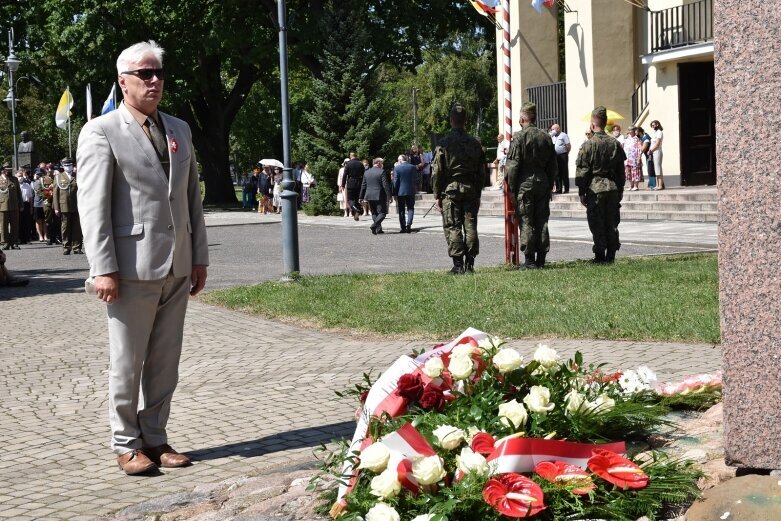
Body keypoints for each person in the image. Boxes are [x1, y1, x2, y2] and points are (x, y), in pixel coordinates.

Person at [77, 40, 209, 476]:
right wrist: (102, 269)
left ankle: (155, 437)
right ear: (123, 81)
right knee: (128, 361)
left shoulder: (179, 129)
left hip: (177, 263)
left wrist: (199, 256)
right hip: (129, 269)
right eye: (144, 74)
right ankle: (125, 442)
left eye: (158, 73)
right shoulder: (101, 131)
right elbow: (91, 205)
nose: (154, 81)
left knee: (166, 359)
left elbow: (191, 199)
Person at [432, 103, 488, 274]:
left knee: (453, 225)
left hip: (451, 190)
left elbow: (437, 171)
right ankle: (470, 264)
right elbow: (481, 171)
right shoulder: (474, 143)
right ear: (466, 121)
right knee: (470, 224)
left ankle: (458, 265)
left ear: (451, 120)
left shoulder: (444, 143)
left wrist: (437, 194)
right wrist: (478, 192)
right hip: (470, 188)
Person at [505, 102, 558, 269]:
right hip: (542, 182)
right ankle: (541, 258)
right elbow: (553, 165)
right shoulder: (545, 136)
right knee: (542, 220)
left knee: (526, 220)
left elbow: (513, 166)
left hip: (525, 184)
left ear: (522, 118)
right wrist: (549, 184)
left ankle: (529, 260)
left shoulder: (520, 137)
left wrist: (511, 188)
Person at [576, 106, 626, 263]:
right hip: (612, 187)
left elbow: (582, 172)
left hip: (595, 188)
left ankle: (599, 256)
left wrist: (581, 192)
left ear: (592, 124)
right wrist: (621, 188)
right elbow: (620, 170)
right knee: (612, 222)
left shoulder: (588, 145)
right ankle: (611, 255)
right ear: (605, 123)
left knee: (597, 223)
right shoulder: (615, 143)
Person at [53, 158, 84, 255]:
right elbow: (55, 193)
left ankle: (77, 247)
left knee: (77, 227)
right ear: (63, 166)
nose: (68, 167)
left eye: (70, 165)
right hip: (64, 205)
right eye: (66, 165)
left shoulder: (78, 176)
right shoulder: (58, 177)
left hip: (77, 205)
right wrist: (56, 208)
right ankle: (66, 247)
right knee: (65, 227)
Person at [359, 158, 392, 235]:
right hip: (379, 195)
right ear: (378, 163)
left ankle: (378, 229)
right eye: (382, 163)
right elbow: (385, 185)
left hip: (369, 195)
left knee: (374, 212)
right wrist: (389, 196)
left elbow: (363, 185)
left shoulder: (366, 172)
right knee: (382, 213)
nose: (382, 165)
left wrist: (361, 196)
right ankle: (374, 225)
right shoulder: (381, 171)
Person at [392, 154, 417, 233]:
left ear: (400, 160)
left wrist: (394, 193)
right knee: (410, 208)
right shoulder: (413, 167)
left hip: (400, 191)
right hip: (411, 190)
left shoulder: (397, 168)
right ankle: (409, 224)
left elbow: (395, 181)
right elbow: (416, 178)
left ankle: (403, 227)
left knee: (401, 209)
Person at [0, 162, 22, 250]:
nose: (8, 172)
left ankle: (14, 242)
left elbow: (19, 193)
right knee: (3, 225)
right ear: (3, 170)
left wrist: (21, 204)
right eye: (7, 170)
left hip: (14, 205)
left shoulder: (15, 179)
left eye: (10, 170)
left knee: (15, 225)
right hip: (2, 206)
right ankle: (5, 243)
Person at [341, 152, 365, 221]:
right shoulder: (360, 164)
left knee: (350, 200)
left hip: (351, 183)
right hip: (359, 183)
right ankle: (356, 216)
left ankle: (355, 210)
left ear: (350, 156)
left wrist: (343, 184)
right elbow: (364, 174)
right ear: (356, 156)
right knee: (357, 199)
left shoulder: (348, 164)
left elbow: (345, 175)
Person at [549, 124, 571, 194]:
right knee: (557, 173)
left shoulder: (563, 135)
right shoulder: (552, 136)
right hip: (555, 156)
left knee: (564, 172)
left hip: (563, 155)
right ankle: (559, 189)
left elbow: (568, 145)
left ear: (558, 129)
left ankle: (566, 189)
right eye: (552, 129)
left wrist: (566, 153)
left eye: (554, 129)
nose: (552, 131)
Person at [623, 127, 643, 191]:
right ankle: (631, 186)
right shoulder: (626, 138)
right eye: (629, 130)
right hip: (627, 158)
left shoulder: (637, 139)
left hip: (634, 157)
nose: (629, 131)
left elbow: (640, 149)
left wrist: (639, 157)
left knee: (635, 172)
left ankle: (636, 186)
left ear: (634, 130)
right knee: (628, 172)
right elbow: (624, 147)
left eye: (631, 130)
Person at [18, 170, 35, 244]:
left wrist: (31, 207)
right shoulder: (15, 185)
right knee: (19, 222)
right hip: (18, 205)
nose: (20, 177)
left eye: (21, 176)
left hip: (26, 204)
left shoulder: (27, 185)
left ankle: (27, 239)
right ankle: (20, 239)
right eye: (19, 176)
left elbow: (30, 197)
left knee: (27, 223)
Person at [32, 168, 48, 243]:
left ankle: (45, 235)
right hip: (38, 203)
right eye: (38, 174)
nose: (39, 176)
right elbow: (37, 191)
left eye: (41, 174)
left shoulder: (46, 181)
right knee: (38, 221)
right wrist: (46, 194)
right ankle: (40, 236)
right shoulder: (35, 182)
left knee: (45, 220)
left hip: (45, 202)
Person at [649, 120, 665, 190]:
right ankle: (658, 185)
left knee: (658, 168)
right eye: (652, 125)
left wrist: (650, 150)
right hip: (654, 152)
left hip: (657, 151)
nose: (653, 127)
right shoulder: (655, 133)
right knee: (656, 168)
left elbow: (657, 143)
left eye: (653, 125)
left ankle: (660, 185)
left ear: (657, 124)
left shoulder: (659, 132)